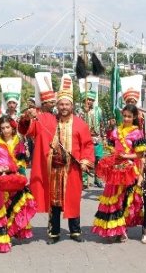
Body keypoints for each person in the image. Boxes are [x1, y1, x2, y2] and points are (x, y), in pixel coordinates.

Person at [18, 74, 94, 245]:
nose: (64, 107)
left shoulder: (81, 124)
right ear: (56, 105)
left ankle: (75, 231)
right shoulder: (45, 119)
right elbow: (25, 130)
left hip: (72, 170)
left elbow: (88, 146)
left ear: (72, 106)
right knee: (54, 202)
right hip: (52, 170)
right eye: (61, 104)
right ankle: (53, 232)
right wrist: (27, 117)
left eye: (67, 104)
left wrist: (85, 161)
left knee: (73, 199)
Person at [0, 115, 36, 253]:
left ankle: (7, 235)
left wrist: (12, 169)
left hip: (14, 179)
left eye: (7, 127)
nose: (5, 130)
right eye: (2, 128)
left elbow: (22, 162)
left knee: (14, 206)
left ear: (12, 127)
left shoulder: (19, 141)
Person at [92, 104, 146, 242]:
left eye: (129, 116)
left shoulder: (137, 133)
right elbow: (110, 147)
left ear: (134, 117)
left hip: (129, 169)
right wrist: (111, 153)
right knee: (112, 198)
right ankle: (112, 228)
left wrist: (126, 157)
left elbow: (139, 155)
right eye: (125, 115)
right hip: (115, 168)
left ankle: (122, 229)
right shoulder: (116, 131)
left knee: (125, 199)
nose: (127, 118)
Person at [76, 83, 105, 189]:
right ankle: (84, 180)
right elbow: (77, 124)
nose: (90, 102)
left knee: (99, 160)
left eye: (91, 100)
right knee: (85, 159)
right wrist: (84, 112)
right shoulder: (80, 111)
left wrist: (104, 137)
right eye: (88, 100)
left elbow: (102, 124)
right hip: (85, 139)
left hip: (97, 138)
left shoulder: (99, 110)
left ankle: (98, 179)